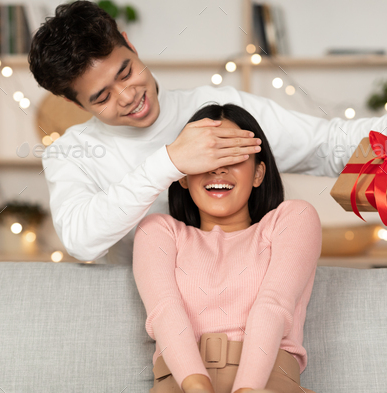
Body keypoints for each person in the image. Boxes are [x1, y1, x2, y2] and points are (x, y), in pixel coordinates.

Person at [28, 1, 387, 264]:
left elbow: (324, 145)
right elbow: (81, 241)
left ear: (131, 46)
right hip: (153, 315)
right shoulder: (71, 154)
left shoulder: (220, 108)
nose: (128, 95)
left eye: (126, 71)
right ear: (73, 103)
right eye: (102, 97)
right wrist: (170, 162)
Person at [133, 103, 321, 393]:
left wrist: (248, 389)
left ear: (258, 174)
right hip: (180, 384)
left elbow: (274, 305)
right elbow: (164, 311)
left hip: (269, 382)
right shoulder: (158, 230)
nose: (218, 167)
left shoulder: (293, 218)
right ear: (182, 174)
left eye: (233, 154)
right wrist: (196, 386)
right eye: (206, 155)